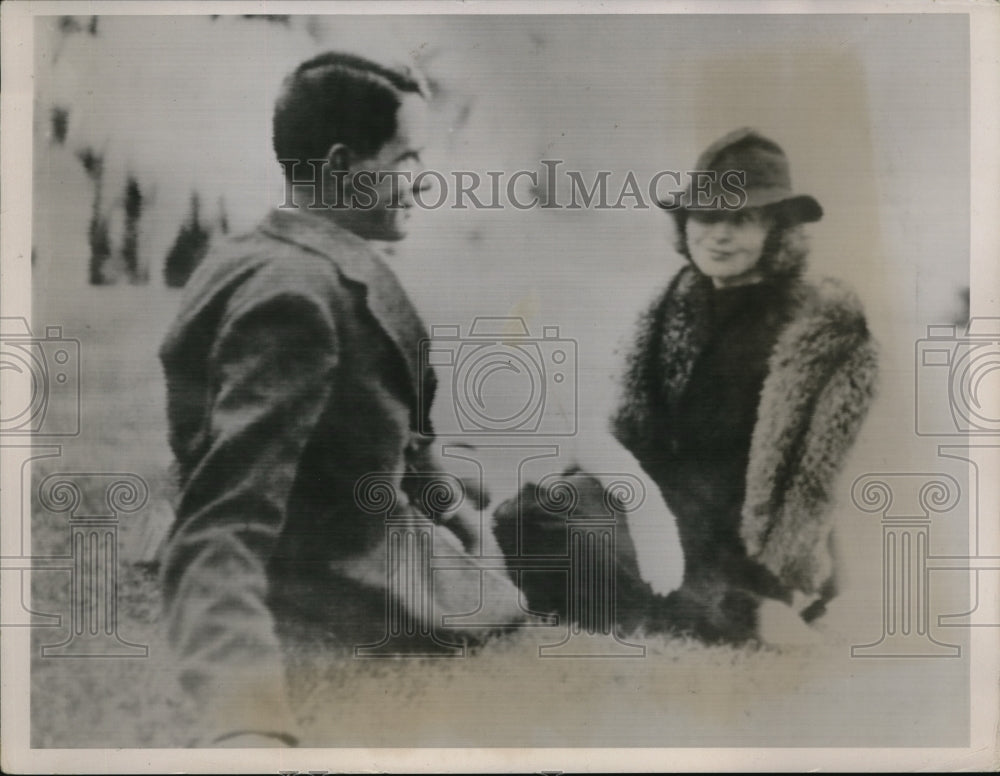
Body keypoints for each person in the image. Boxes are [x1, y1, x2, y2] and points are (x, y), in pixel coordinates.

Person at [158, 51, 522, 748]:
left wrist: (459, 513)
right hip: (330, 554)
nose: (423, 181)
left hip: (342, 484)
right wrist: (247, 721)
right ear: (339, 163)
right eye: (406, 159)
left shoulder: (254, 250)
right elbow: (226, 519)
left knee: (482, 489)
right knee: (544, 547)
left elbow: (398, 438)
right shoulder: (296, 297)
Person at [609, 128, 880, 643]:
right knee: (534, 516)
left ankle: (750, 614)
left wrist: (805, 562)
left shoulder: (817, 320)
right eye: (706, 216)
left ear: (777, 230)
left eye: (741, 218)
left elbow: (819, 475)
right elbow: (639, 430)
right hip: (667, 499)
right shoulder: (677, 301)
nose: (719, 235)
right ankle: (716, 607)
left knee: (588, 541)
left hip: (748, 525)